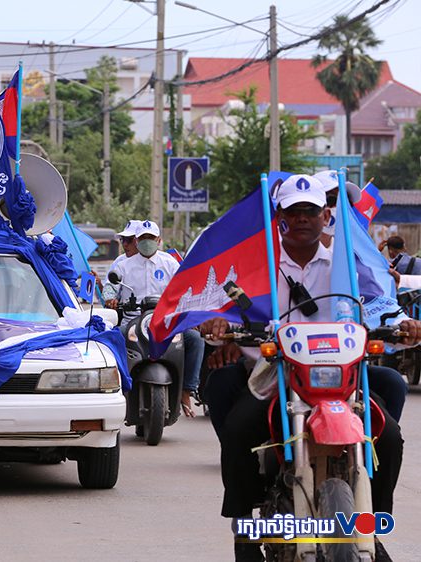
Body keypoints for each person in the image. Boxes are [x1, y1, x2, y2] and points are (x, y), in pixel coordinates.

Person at [199, 174, 419, 562]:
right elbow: (222, 311)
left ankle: (373, 522)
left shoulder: (347, 263)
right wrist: (216, 327)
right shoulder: (257, 264)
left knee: (389, 437)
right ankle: (244, 529)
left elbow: (380, 303)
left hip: (339, 375)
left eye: (311, 211)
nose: (303, 219)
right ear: (279, 216)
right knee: (237, 430)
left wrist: (405, 324)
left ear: (325, 216)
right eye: (294, 211)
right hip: (276, 374)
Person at [110, 220, 205, 417]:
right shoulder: (124, 265)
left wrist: (189, 313)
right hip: (133, 322)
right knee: (113, 339)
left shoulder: (170, 264)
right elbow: (112, 288)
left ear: (159, 240)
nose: (147, 242)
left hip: (166, 322)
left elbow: (185, 290)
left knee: (195, 340)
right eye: (143, 238)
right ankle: (116, 390)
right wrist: (110, 299)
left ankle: (186, 391)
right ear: (136, 241)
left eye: (151, 238)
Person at [310, 170, 361, 249]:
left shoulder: (350, 255)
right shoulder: (285, 255)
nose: (338, 207)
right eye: (331, 200)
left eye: (346, 202)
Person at [101, 219, 141, 307]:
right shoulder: (120, 261)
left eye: (129, 240)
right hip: (128, 316)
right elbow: (109, 288)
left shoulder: (166, 262)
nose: (125, 244)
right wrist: (110, 299)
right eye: (123, 240)